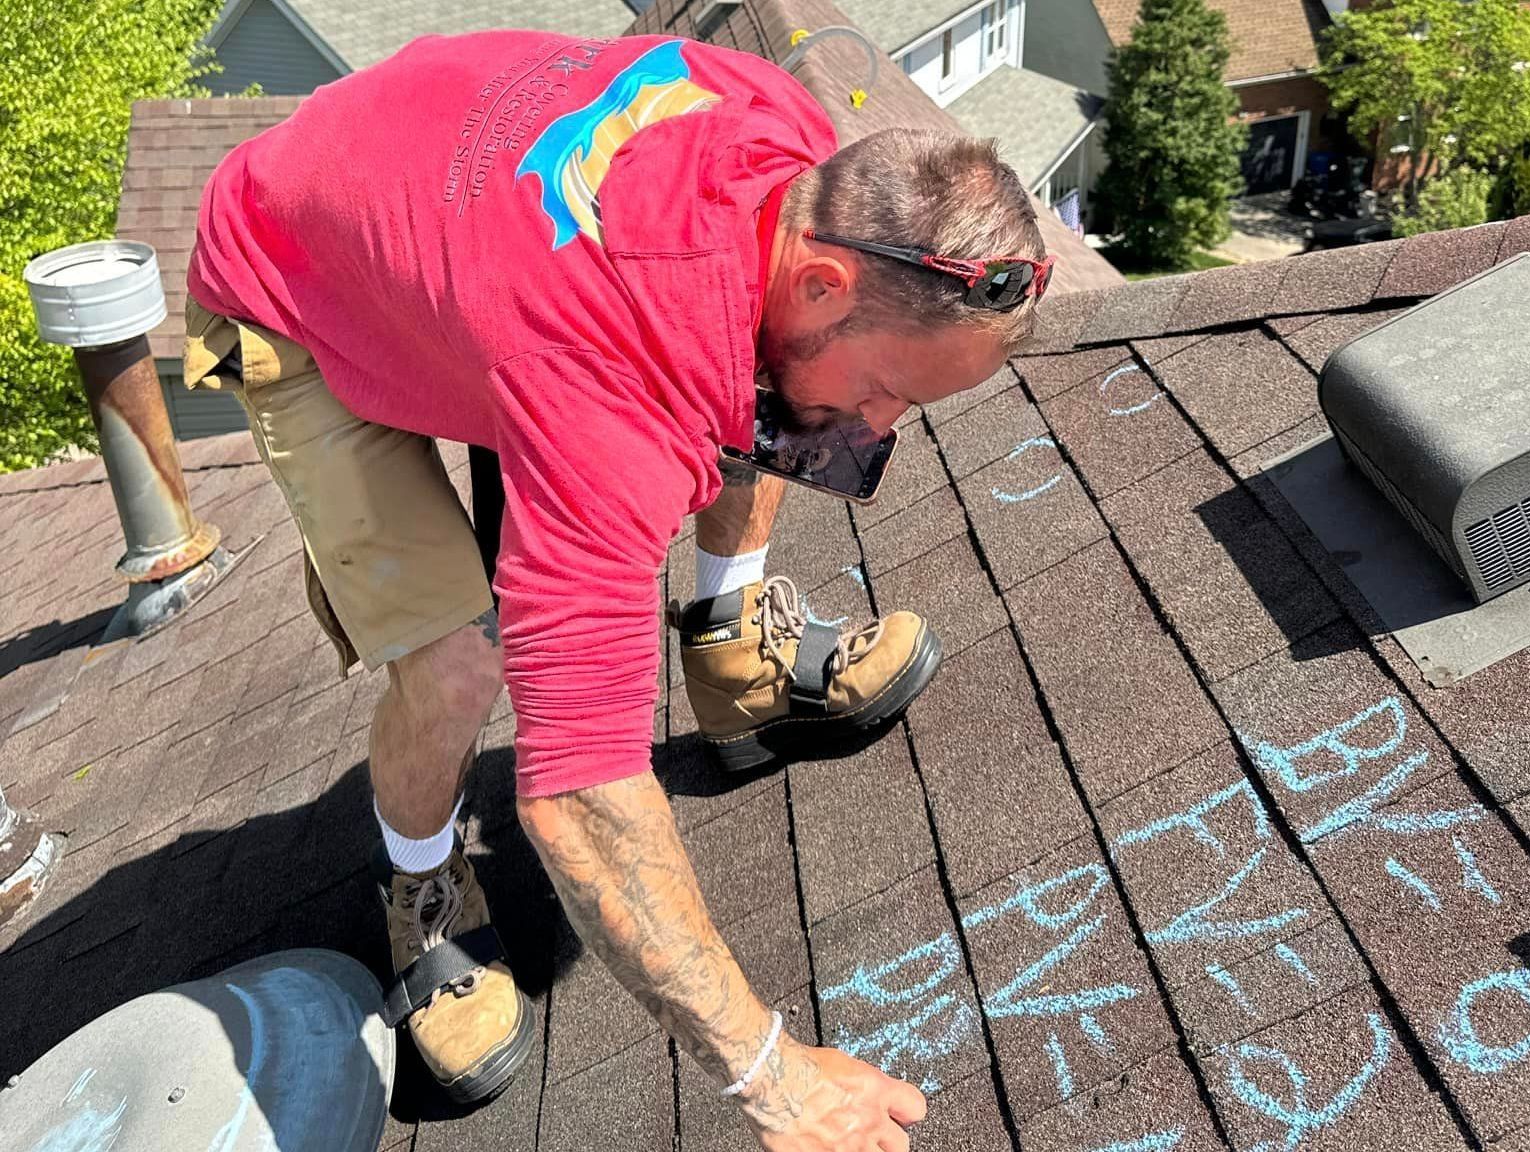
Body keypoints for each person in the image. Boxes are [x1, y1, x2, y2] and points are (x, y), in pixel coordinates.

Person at [183, 29, 1050, 1151]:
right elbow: (578, 787)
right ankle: (421, 890)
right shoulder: (606, 393)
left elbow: (739, 358)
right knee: (456, 663)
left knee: (780, 391)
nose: (883, 431)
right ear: (827, 275)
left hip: (445, 223)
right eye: (890, 390)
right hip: (283, 282)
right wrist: (769, 1074)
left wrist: (841, 387)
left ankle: (733, 650)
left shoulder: (785, 137)